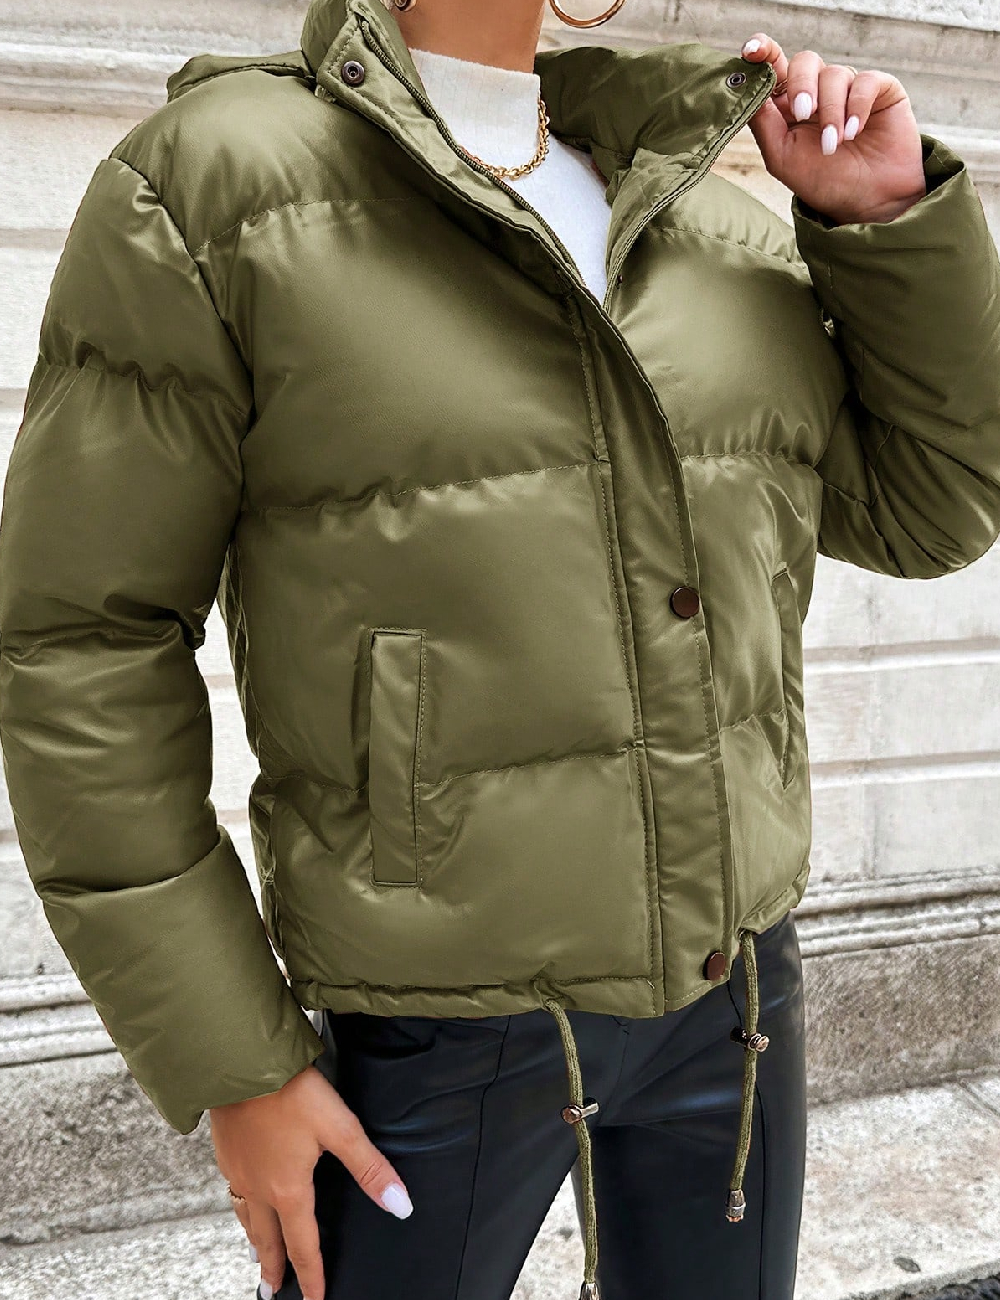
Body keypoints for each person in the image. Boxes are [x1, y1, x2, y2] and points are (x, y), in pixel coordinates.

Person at [1, 0, 999, 1297]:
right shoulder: (220, 184)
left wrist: (885, 227)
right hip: (437, 1028)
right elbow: (80, 643)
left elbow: (934, 509)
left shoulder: (710, 220)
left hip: (737, 995)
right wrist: (234, 1061)